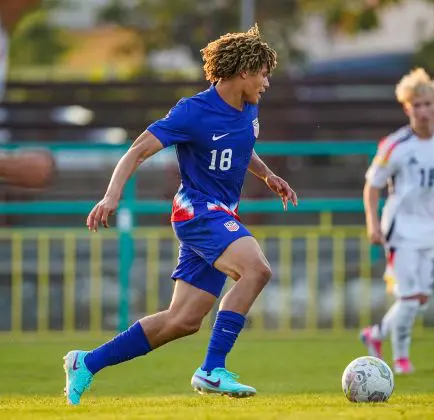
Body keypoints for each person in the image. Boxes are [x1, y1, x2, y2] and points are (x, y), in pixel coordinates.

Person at [63, 25, 298, 405]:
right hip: (198, 212)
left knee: (182, 321)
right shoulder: (193, 111)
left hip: (219, 213)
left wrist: (268, 174)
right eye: (263, 73)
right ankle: (211, 369)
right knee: (257, 269)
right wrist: (110, 196)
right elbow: (137, 150)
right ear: (243, 71)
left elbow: (240, 148)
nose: (267, 82)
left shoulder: (249, 107)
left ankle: (86, 362)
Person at [359, 68, 434, 375]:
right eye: (415, 105)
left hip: (430, 226)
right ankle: (401, 360)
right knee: (408, 297)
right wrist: (373, 223)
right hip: (400, 227)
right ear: (407, 108)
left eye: (427, 104)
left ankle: (376, 334)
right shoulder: (395, 144)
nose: (422, 110)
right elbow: (372, 185)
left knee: (420, 298)